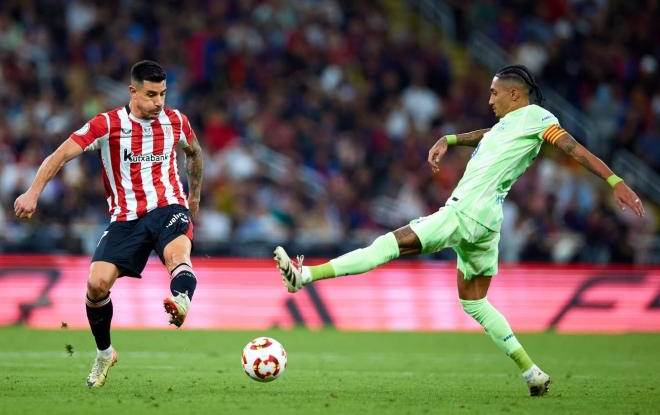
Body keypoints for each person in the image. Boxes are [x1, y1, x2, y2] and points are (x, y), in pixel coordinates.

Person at [273, 64, 645, 397]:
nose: (490, 99)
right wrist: (450, 139)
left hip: (466, 212)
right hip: (488, 222)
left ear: (515, 94)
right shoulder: (514, 125)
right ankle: (531, 372)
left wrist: (615, 181)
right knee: (474, 302)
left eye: (495, 92)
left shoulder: (538, 118)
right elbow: (490, 133)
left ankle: (304, 275)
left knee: (388, 244)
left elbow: (574, 148)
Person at [14, 60, 204, 388]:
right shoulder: (107, 125)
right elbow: (59, 155)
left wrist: (195, 198)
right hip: (125, 219)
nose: (159, 102)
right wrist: (33, 192)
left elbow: (195, 154)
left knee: (178, 255)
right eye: (150, 95)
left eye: (163, 94)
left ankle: (182, 301)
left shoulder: (176, 121)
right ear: (132, 92)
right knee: (96, 285)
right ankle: (105, 352)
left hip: (169, 207)